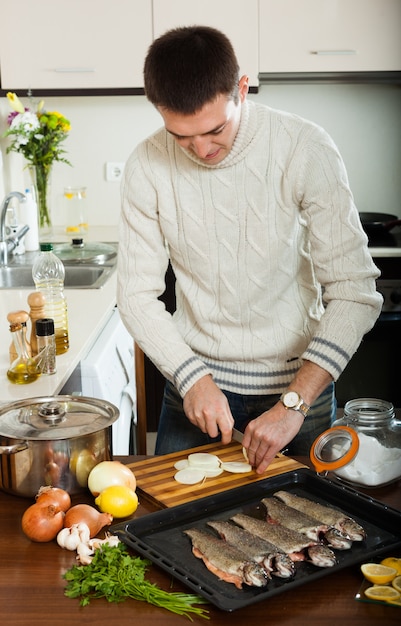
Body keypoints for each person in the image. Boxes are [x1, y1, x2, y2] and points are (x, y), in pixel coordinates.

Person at [117, 25, 383, 473]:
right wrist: (192, 379)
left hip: (298, 394)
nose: (200, 149)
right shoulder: (146, 164)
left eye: (215, 129)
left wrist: (293, 403)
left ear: (242, 88)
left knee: (310, 533)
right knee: (170, 530)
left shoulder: (305, 147)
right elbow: (135, 297)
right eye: (182, 136)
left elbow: (354, 293)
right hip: (194, 393)